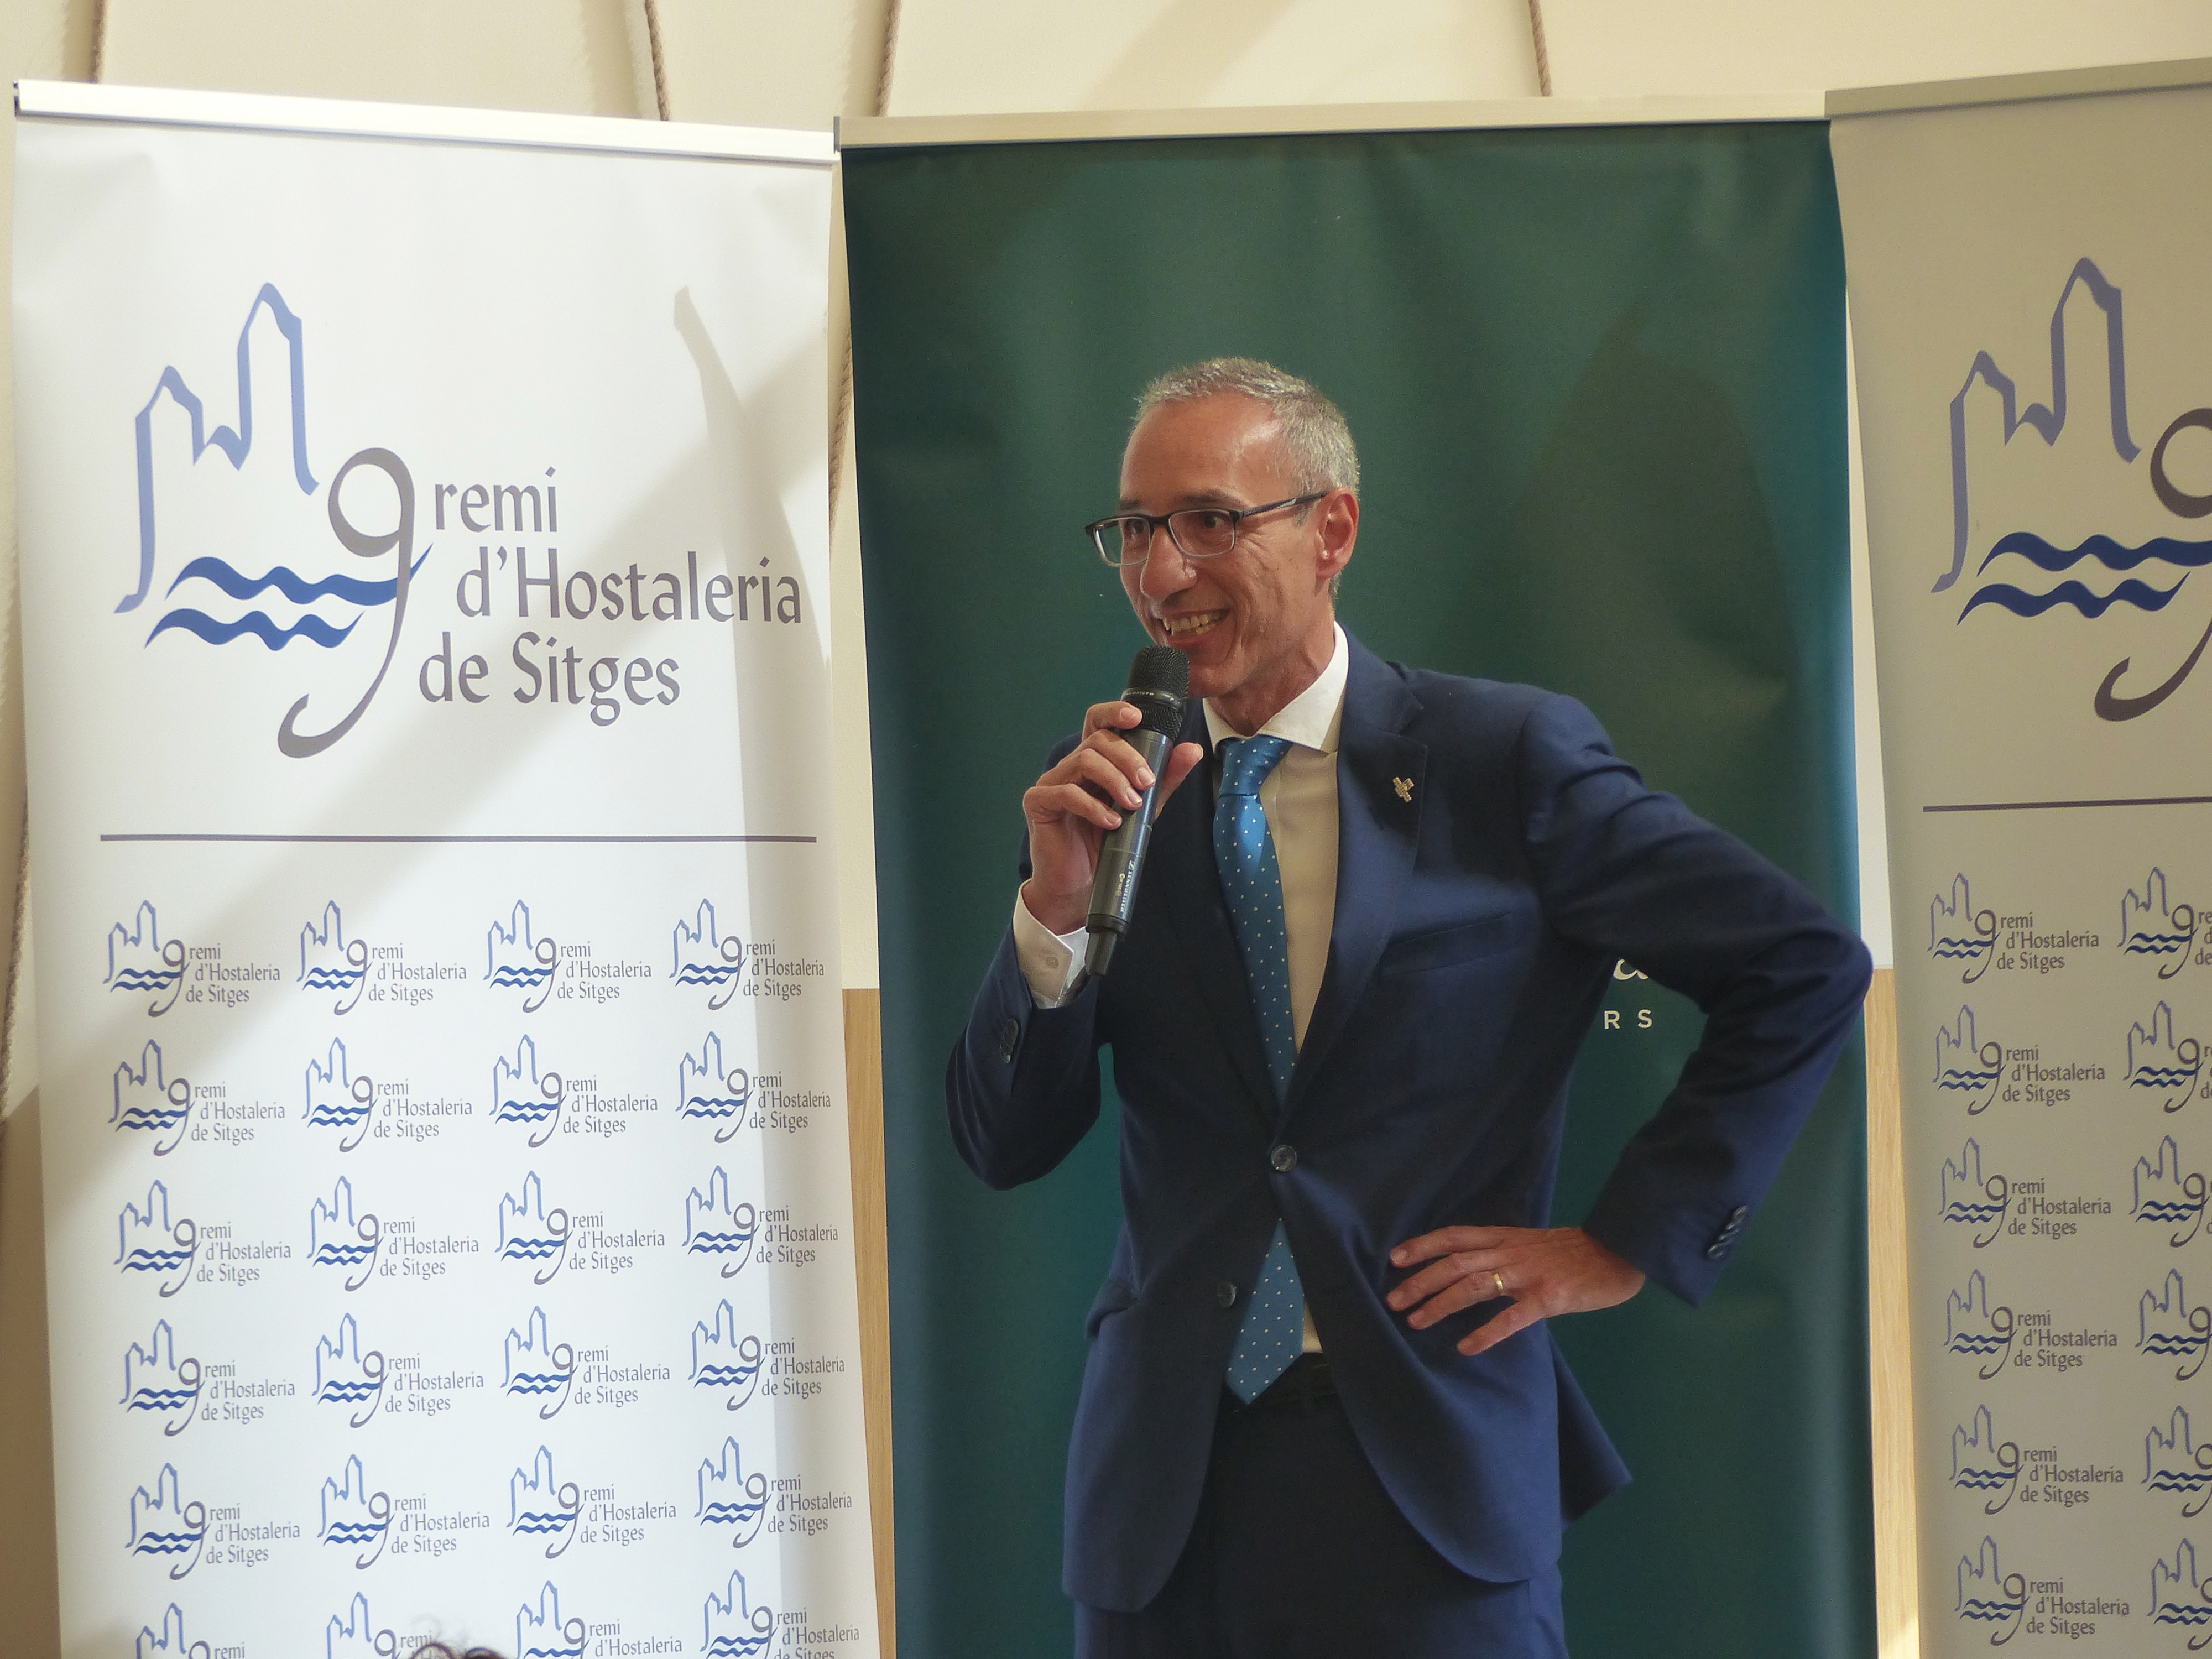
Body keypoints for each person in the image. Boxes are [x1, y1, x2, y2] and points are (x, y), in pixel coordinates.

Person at [946, 357, 1871, 1657]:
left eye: (1210, 520)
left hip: (1428, 1488)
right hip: (1164, 1504)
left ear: (1330, 530)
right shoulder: (1115, 794)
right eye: (1136, 529)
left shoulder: (1500, 761)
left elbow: (1799, 965)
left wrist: (1620, 1242)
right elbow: (1001, 1142)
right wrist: (1050, 912)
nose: (1161, 572)